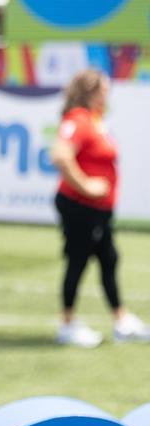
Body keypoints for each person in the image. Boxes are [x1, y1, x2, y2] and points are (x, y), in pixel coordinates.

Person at [50, 69, 149, 347]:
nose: (107, 96)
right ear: (90, 92)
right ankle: (66, 325)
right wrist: (86, 185)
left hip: (98, 211)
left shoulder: (96, 120)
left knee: (109, 258)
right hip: (81, 207)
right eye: (103, 90)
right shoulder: (78, 120)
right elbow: (60, 154)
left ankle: (122, 320)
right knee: (79, 261)